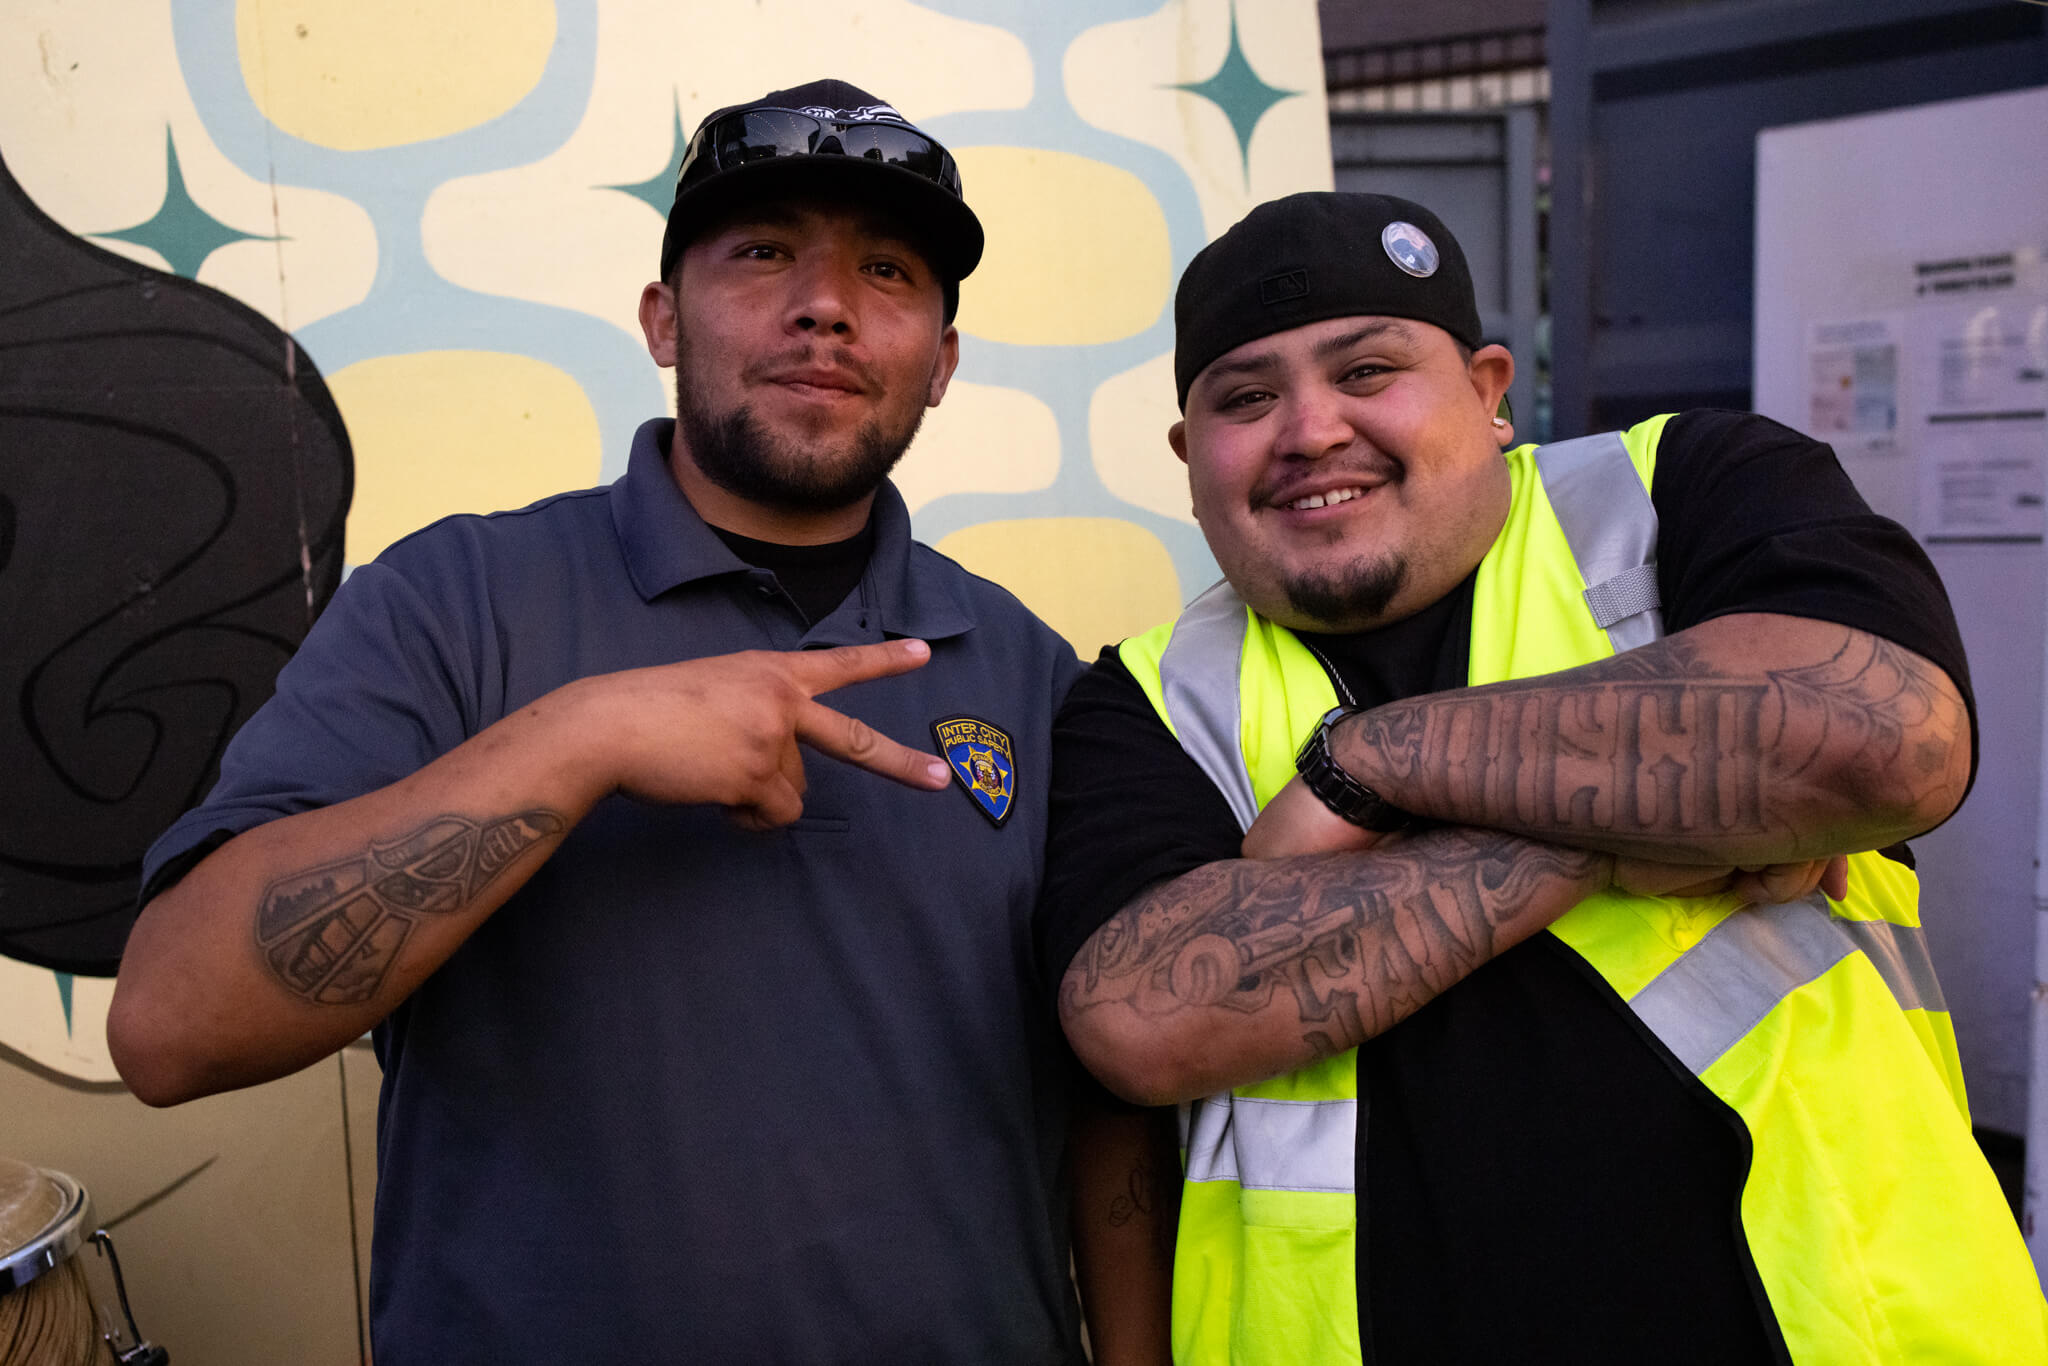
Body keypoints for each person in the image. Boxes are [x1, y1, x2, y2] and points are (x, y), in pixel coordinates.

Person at [109, 79, 1160, 1365]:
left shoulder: (1029, 671)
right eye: (761, 251)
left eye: (886, 270)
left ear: (940, 364)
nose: (824, 304)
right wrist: (579, 739)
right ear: (663, 320)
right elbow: (170, 1027)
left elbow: (1111, 1096)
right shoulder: (453, 604)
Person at [1046, 192, 2048, 1363]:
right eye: (1245, 398)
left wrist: (1369, 760)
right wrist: (1624, 826)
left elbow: (1890, 739)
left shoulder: (1682, 487)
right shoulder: (1146, 694)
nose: (1309, 429)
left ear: (1487, 390)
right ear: (1188, 458)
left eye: (1365, 371)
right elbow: (1139, 1017)